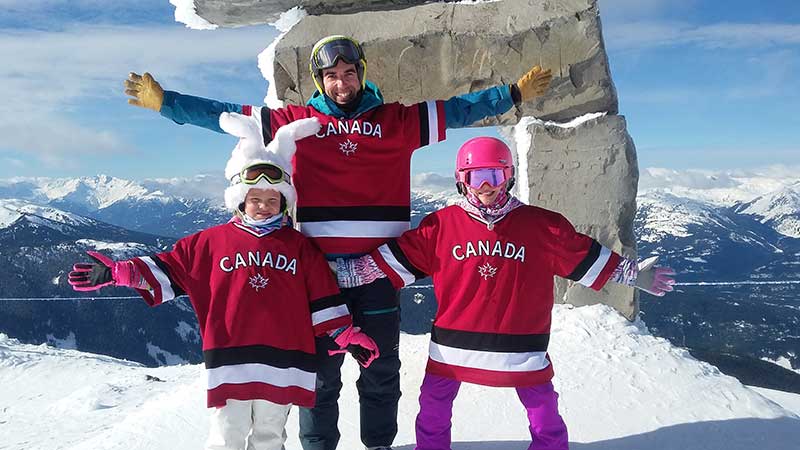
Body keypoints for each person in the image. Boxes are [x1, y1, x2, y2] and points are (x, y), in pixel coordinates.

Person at [123, 34, 553, 450]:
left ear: (361, 73)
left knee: (381, 369)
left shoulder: (398, 122)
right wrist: (167, 103)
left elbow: (458, 110)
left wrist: (511, 95)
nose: (341, 83)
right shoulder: (297, 124)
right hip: (318, 277)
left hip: (379, 272)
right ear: (319, 80)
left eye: (349, 73)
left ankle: (378, 445)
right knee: (321, 375)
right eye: (331, 76)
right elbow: (226, 115)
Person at [336, 136, 676, 450]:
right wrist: (338, 275)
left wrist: (633, 275)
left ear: (508, 177)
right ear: (461, 180)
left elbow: (583, 256)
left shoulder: (543, 226)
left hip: (521, 347)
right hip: (453, 346)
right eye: (475, 177)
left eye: (494, 176)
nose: (486, 187)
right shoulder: (440, 227)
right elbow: (391, 260)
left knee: (543, 411)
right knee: (434, 407)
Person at [67, 114, 379, 450]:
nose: (263, 206)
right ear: (241, 200)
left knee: (270, 436)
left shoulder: (299, 246)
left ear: (284, 203)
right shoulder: (209, 243)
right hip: (231, 356)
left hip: (284, 358)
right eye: (255, 199)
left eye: (272, 200)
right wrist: (118, 273)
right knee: (227, 435)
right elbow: (170, 268)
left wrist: (346, 335)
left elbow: (321, 296)